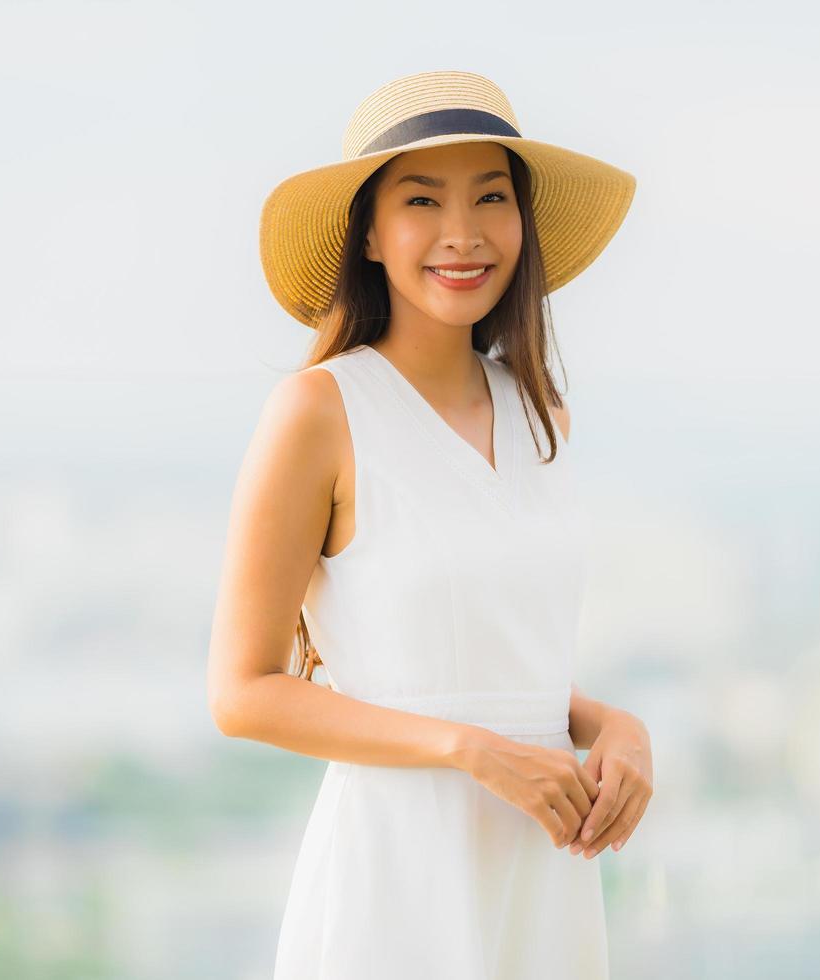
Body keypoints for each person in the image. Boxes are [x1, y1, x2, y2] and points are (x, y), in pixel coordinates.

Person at [207, 69, 654, 979]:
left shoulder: (542, 418)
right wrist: (471, 753)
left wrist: (613, 726)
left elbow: (489, 662)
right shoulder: (321, 412)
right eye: (422, 199)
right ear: (368, 231)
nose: (463, 233)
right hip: (397, 879)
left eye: (492, 196)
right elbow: (242, 691)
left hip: (543, 874)